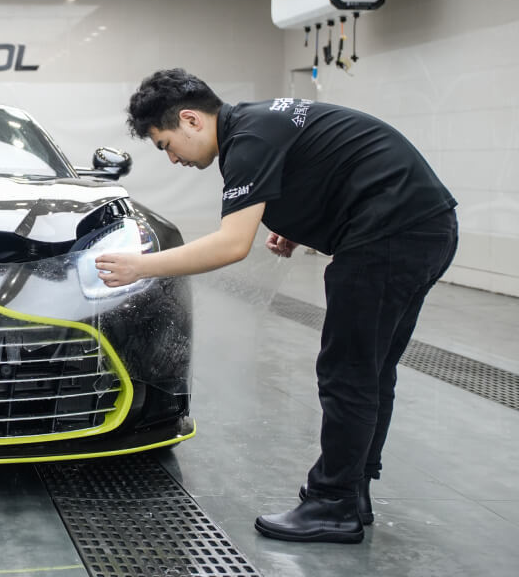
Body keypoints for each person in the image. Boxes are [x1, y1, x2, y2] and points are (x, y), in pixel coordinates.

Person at [96, 68, 457, 544]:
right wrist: (297, 224)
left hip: (390, 235)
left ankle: (333, 504)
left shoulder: (247, 142)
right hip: (424, 228)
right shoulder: (257, 123)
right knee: (370, 370)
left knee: (348, 372)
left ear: (191, 120)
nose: (173, 159)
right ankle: (352, 491)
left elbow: (231, 245)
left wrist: (141, 266)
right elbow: (327, 165)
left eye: (166, 145)